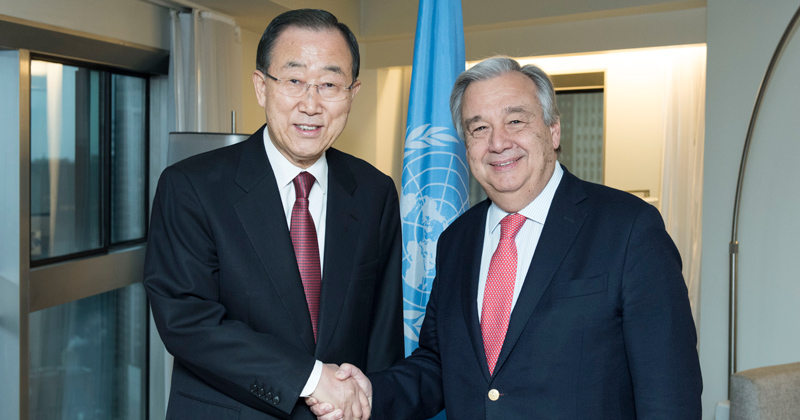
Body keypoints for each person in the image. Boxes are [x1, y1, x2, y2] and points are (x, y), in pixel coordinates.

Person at [310, 57, 702, 419]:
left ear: (553, 129)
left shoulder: (629, 228)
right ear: (466, 146)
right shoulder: (456, 241)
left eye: (515, 121)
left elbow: (669, 395)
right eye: (479, 128)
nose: (497, 143)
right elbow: (439, 365)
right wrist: (370, 393)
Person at [144, 9, 404, 420]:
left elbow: (382, 334)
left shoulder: (374, 191)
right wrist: (311, 377)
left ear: (352, 94)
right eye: (295, 80)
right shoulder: (192, 186)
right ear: (262, 87)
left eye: (330, 84)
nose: (311, 104)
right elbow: (187, 319)